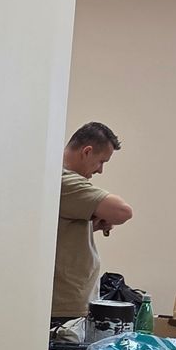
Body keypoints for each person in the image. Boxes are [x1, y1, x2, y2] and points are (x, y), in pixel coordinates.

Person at [52, 122, 134, 321]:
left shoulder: (55, 181)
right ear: (87, 152)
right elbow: (122, 211)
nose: (100, 171)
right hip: (64, 309)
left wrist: (92, 225)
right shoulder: (65, 181)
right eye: (101, 161)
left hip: (69, 304)